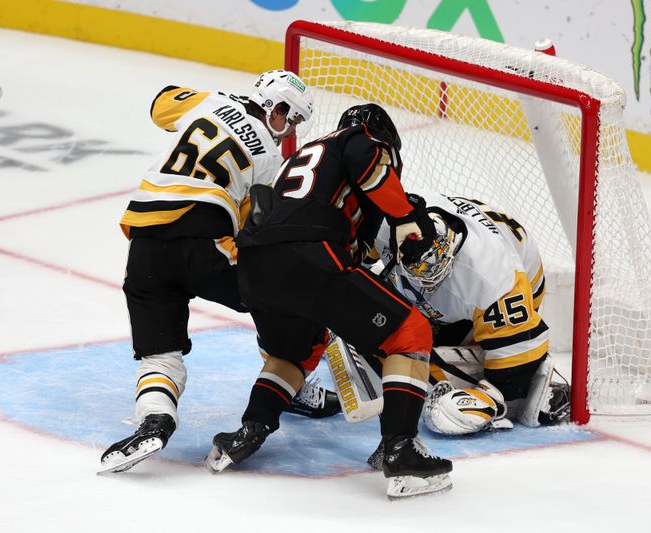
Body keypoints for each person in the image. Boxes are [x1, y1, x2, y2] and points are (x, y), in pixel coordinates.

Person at [204, 103, 454, 500]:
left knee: (295, 352)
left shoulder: (301, 162)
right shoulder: (357, 139)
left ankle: (250, 429)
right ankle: (402, 451)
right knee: (410, 331)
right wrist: (406, 214)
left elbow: (355, 248)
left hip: (255, 263)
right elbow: (366, 162)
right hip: (308, 253)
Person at [99, 70, 337, 474]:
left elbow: (161, 104)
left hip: (144, 247)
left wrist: (214, 102)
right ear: (273, 108)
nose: (289, 129)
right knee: (280, 297)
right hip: (202, 240)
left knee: (160, 352)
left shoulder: (209, 103)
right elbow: (254, 227)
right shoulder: (270, 162)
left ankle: (156, 419)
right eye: (290, 117)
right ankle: (288, 378)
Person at [367, 189, 570, 439]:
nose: (429, 273)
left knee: (423, 368)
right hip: (456, 280)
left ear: (447, 242)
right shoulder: (391, 224)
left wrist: (492, 396)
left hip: (520, 288)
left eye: (434, 262)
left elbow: (522, 342)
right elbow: (356, 253)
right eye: (420, 268)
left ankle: (525, 382)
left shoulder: (493, 275)